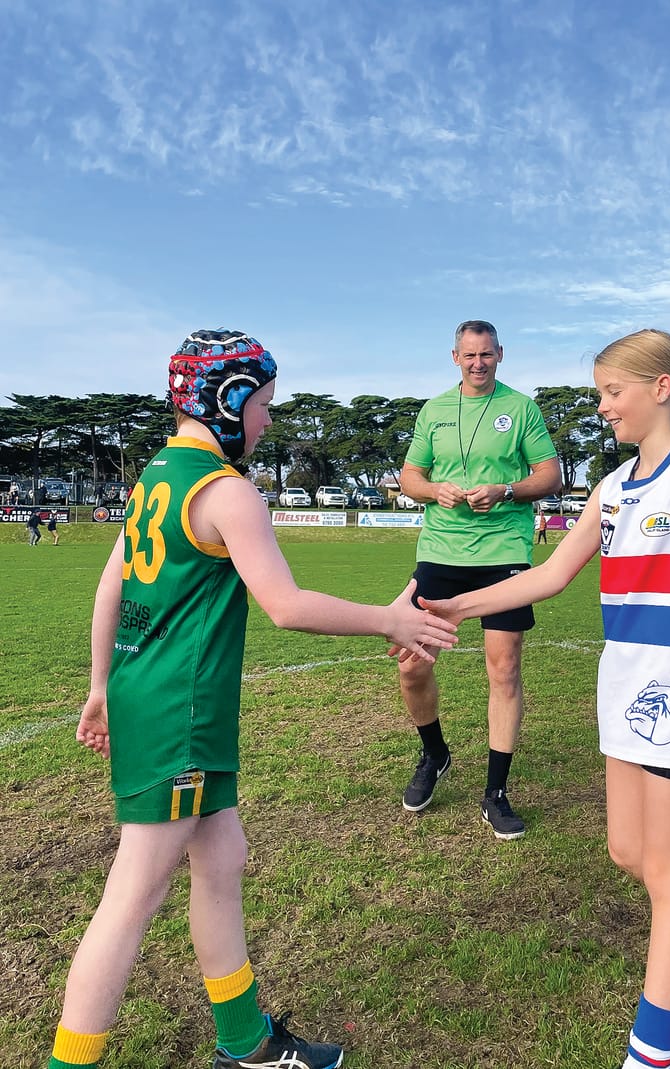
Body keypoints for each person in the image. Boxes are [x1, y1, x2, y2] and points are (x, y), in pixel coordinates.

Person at [47, 329, 457, 1069]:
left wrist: (102, 682)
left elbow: (113, 583)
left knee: (223, 854)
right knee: (133, 895)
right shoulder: (227, 490)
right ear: (229, 400)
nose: (269, 420)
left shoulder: (160, 471)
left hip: (153, 696)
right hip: (182, 712)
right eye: (264, 404)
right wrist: (390, 619)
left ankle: (246, 1042)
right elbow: (286, 604)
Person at [418, 329, 670, 1063]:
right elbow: (546, 577)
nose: (603, 407)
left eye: (612, 391)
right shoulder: (612, 486)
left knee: (668, 874)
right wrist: (453, 609)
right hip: (623, 691)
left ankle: (647, 1056)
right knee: (630, 851)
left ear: (660, 387)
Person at [396, 320, 562, 839]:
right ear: (454, 357)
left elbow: (550, 475)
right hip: (441, 550)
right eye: (469, 355)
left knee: (504, 667)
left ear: (500, 355)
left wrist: (507, 490)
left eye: (486, 354)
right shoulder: (434, 411)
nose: (478, 363)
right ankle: (435, 753)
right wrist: (431, 491)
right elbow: (409, 477)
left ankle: (496, 793)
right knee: (411, 664)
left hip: (503, 551)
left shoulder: (522, 408)